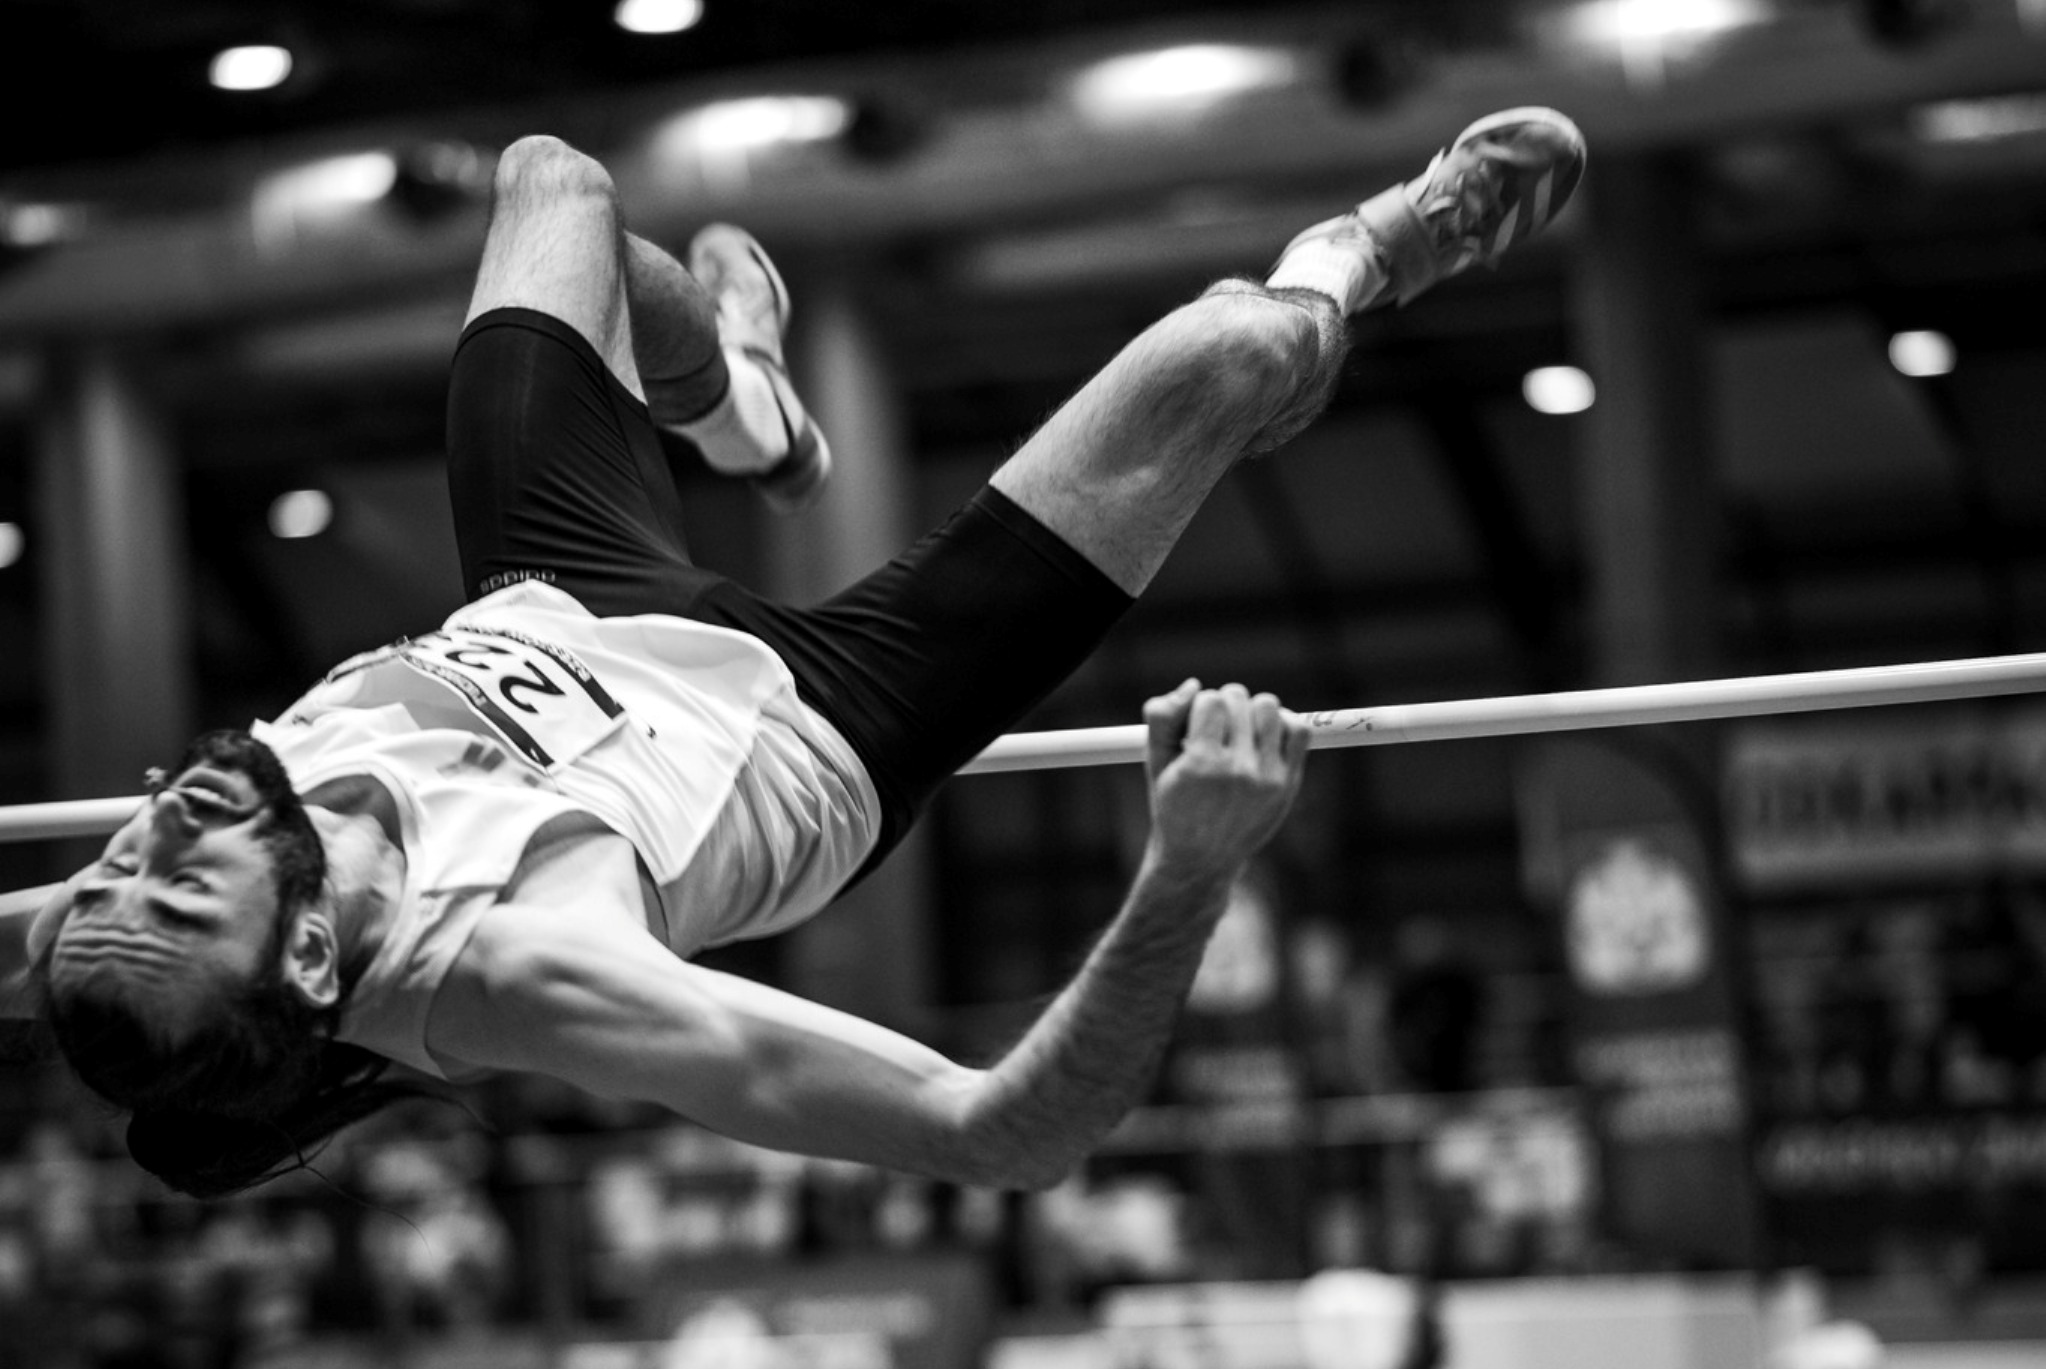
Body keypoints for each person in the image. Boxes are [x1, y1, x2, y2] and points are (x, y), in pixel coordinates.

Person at [0, 108, 1586, 1198]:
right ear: (307, 958)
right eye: (182, 885)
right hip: (820, 727)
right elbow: (997, 1132)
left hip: (554, 595)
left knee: (557, 189)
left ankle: (744, 414)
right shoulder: (527, 970)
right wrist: (1189, 867)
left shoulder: (106, 943)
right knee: (1235, 354)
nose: (150, 840)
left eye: (116, 872)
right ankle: (1361, 259)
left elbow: (115, 913)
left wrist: (124, 905)